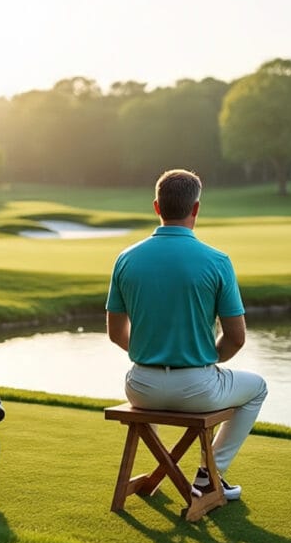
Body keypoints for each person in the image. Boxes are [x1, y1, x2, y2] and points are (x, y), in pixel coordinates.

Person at [105, 169, 267, 501]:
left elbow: (115, 333)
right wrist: (205, 361)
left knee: (159, 379)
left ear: (156, 207)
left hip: (140, 387)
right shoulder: (217, 261)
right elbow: (236, 338)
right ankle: (210, 475)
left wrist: (149, 351)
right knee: (257, 388)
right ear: (195, 209)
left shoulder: (126, 259)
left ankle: (179, 473)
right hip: (198, 388)